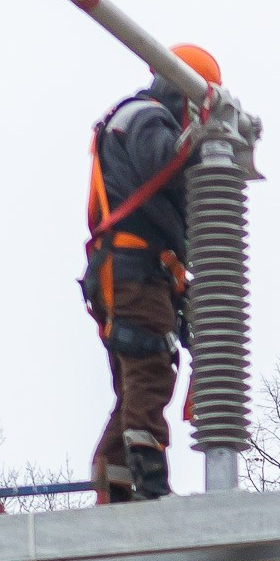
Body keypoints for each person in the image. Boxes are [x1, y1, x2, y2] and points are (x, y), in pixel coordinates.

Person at [82, 42, 223, 503]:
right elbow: (169, 166)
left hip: (126, 271)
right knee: (149, 369)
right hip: (134, 271)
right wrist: (206, 153)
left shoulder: (131, 118)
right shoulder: (146, 118)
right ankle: (149, 484)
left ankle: (116, 483)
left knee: (134, 381)